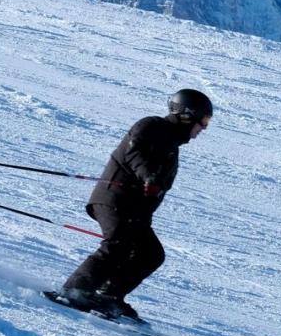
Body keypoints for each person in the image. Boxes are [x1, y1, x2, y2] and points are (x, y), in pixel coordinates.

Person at [59, 89, 213, 321]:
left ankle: (108, 295)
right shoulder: (151, 126)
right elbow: (135, 151)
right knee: (118, 243)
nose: (204, 127)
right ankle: (75, 290)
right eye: (203, 120)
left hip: (134, 211)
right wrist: (148, 177)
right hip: (114, 199)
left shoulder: (171, 144)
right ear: (187, 115)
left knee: (150, 254)